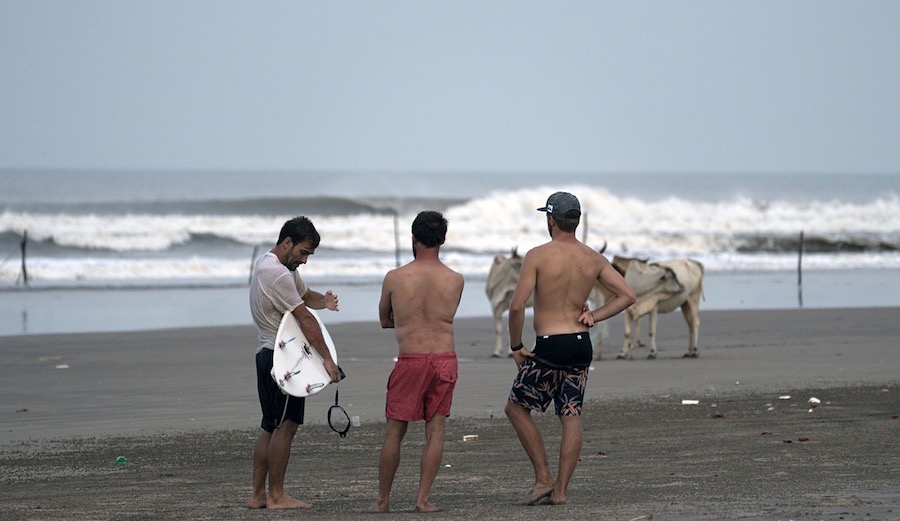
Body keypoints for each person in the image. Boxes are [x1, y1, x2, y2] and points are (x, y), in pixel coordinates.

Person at [505, 191, 636, 506]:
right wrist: (594, 316)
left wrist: (516, 345)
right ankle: (560, 492)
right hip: (580, 345)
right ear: (575, 222)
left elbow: (516, 306)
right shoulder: (592, 257)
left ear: (550, 220)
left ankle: (543, 479)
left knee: (516, 408)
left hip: (551, 345)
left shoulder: (537, 255)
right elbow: (627, 296)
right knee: (570, 415)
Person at [369, 211, 465, 513]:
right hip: (444, 358)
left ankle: (383, 500)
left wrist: (407, 318)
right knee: (435, 431)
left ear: (413, 238)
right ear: (443, 240)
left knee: (395, 431)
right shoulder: (455, 279)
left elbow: (385, 320)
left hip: (410, 359)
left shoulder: (395, 278)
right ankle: (422, 500)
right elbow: (443, 316)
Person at [247, 216, 342, 510]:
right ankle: (277, 496)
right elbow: (304, 318)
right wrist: (328, 361)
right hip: (284, 362)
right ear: (287, 242)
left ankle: (258, 495)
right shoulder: (277, 275)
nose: (305, 260)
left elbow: (304, 298)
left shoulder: (275, 266)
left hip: (267, 356)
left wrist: (323, 301)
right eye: (303, 253)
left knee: (269, 426)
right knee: (286, 427)